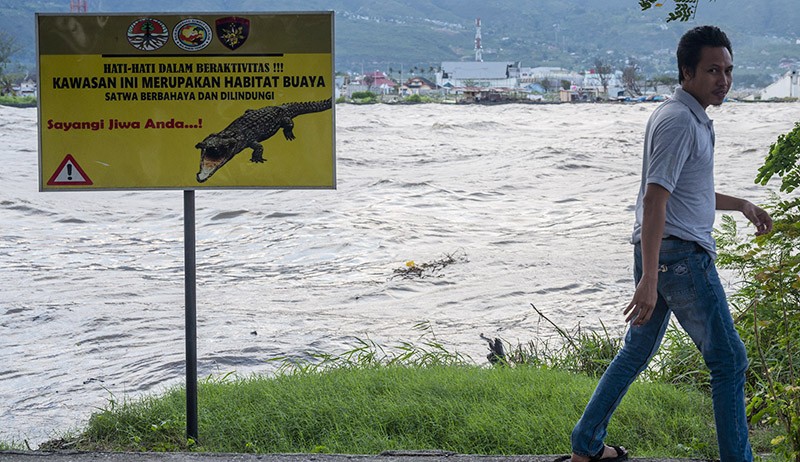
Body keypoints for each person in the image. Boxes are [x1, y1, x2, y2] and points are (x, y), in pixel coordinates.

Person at [562, 25, 773, 462]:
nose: (724, 80)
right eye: (713, 70)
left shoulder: (687, 116)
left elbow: (685, 192)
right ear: (686, 72)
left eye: (728, 70)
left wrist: (742, 204)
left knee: (637, 350)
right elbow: (655, 199)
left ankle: (586, 444)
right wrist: (649, 279)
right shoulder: (679, 121)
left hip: (662, 253)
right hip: (678, 257)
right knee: (729, 361)